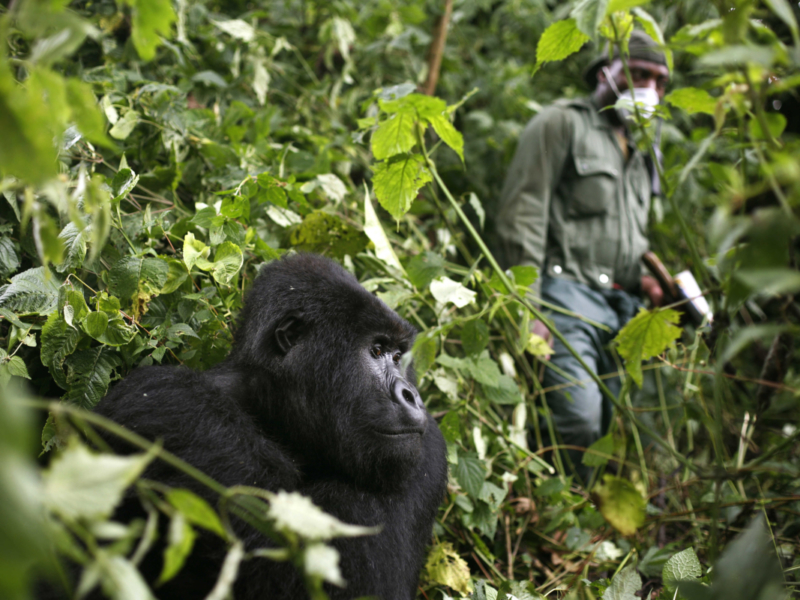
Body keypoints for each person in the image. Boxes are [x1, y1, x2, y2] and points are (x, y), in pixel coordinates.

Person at [496, 31, 668, 484]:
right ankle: (547, 516)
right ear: (604, 73)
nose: (649, 88)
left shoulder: (644, 145)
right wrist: (526, 308)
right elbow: (522, 217)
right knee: (579, 419)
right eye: (639, 73)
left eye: (660, 80)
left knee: (616, 431)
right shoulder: (561, 124)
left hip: (621, 309)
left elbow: (627, 230)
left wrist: (647, 280)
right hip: (564, 298)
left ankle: (577, 527)